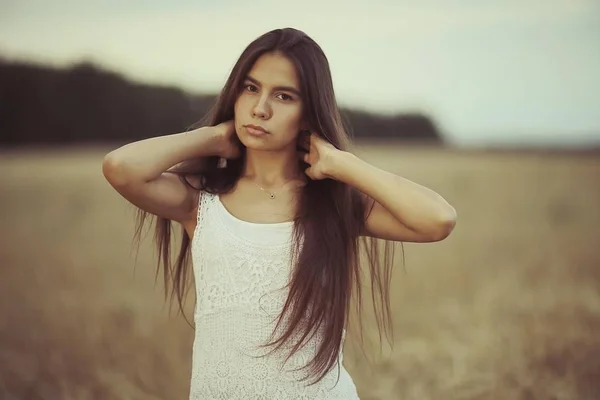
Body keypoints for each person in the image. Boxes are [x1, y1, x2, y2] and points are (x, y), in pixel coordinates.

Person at [102, 27, 456, 400]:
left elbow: (438, 219)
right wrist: (214, 138)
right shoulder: (200, 198)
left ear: (308, 113)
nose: (260, 108)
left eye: (283, 96)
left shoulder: (335, 205)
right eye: (250, 88)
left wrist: (341, 164)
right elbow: (120, 167)